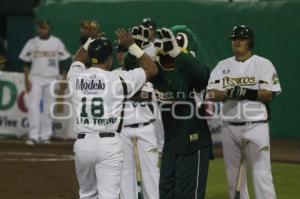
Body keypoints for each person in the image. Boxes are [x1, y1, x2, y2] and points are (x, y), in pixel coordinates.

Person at [68, 26, 157, 199]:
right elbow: (152, 69)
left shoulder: (76, 77)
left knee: (86, 194)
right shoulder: (118, 78)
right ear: (109, 59)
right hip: (108, 144)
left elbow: (77, 60)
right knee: (109, 196)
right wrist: (132, 45)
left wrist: (89, 41)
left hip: (83, 144)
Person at [124, 25, 212, 199]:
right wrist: (135, 48)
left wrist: (178, 54)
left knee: (186, 195)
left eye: (171, 47)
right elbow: (131, 68)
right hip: (171, 144)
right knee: (165, 193)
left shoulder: (196, 71)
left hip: (193, 144)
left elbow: (199, 80)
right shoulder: (160, 74)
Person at [206, 25, 281, 199]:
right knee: (233, 179)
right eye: (234, 38)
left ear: (250, 41)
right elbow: (209, 93)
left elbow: (269, 93)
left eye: (242, 38)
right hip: (229, 127)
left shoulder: (263, 64)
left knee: (261, 175)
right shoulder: (222, 65)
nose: (237, 41)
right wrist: (224, 94)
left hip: (256, 126)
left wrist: (244, 91)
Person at [120, 25, 161, 199]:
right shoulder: (115, 76)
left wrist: (143, 93)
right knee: (125, 173)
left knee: (151, 172)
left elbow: (157, 95)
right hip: (123, 129)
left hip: (146, 128)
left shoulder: (151, 79)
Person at [19, 20, 71, 145]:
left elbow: (64, 62)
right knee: (33, 107)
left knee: (48, 108)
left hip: (52, 78)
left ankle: (45, 135)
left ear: (49, 28)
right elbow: (25, 63)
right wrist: (26, 79)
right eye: (41, 28)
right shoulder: (32, 43)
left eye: (45, 28)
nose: (43, 30)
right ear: (38, 29)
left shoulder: (56, 42)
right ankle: (33, 136)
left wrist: (64, 78)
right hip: (35, 78)